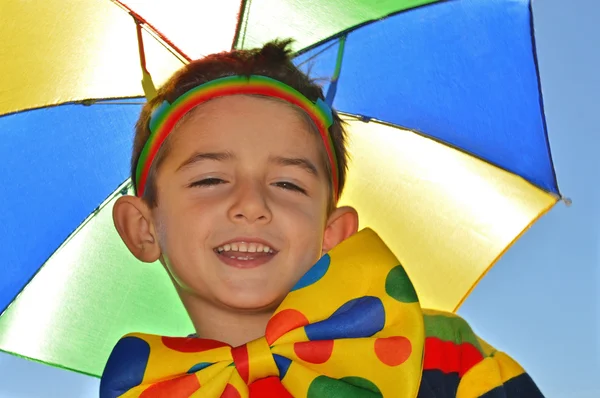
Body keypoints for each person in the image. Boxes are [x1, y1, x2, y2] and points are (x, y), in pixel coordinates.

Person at [99, 40, 544, 397]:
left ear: (333, 234)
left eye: (288, 184)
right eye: (211, 179)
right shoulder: (149, 391)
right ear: (143, 228)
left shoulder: (440, 354)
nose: (251, 204)